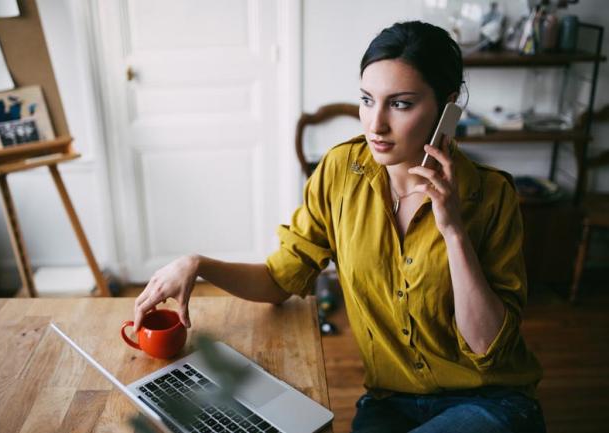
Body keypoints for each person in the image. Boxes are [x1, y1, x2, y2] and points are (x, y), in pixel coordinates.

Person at [133, 21, 546, 433]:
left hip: (489, 400)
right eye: (367, 100)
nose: (375, 124)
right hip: (390, 401)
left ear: (447, 107)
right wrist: (197, 264)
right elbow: (281, 279)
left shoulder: (491, 195)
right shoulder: (339, 173)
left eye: (400, 104)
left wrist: (453, 230)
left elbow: (486, 347)